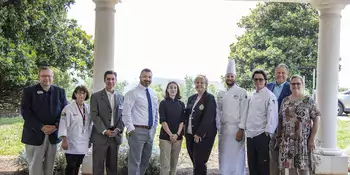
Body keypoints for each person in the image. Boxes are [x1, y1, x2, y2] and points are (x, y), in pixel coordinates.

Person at [20, 66, 68, 175]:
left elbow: (65, 112)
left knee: (49, 167)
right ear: (39, 77)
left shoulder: (60, 92)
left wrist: (55, 126)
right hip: (34, 134)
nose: (46, 78)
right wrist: (41, 126)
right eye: (43, 76)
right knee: (35, 166)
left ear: (53, 77)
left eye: (49, 76)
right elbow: (25, 112)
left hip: (53, 135)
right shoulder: (29, 91)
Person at [277, 75, 321, 175]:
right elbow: (280, 119)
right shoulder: (285, 101)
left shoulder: (308, 100)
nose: (295, 85)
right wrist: (279, 137)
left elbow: (317, 118)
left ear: (302, 85)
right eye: (293, 83)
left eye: (298, 83)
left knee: (304, 168)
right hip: (287, 140)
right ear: (290, 86)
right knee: (290, 167)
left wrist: (312, 139)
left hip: (303, 141)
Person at [122, 68, 159, 175]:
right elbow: (126, 113)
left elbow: (155, 113)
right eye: (145, 76)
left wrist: (154, 128)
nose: (147, 79)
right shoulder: (132, 93)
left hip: (150, 132)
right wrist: (131, 129)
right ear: (140, 77)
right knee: (135, 162)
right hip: (137, 131)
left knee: (145, 161)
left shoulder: (153, 94)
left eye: (149, 77)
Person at [216, 59, 248, 175]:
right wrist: (218, 127)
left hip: (236, 130)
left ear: (235, 77)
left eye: (231, 76)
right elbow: (218, 111)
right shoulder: (220, 93)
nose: (229, 78)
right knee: (224, 157)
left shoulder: (242, 92)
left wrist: (241, 129)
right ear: (225, 77)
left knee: (237, 159)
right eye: (228, 76)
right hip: (224, 130)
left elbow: (245, 111)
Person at [90, 70, 124, 175]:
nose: (110, 81)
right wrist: (104, 131)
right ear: (105, 80)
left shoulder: (121, 97)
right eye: (108, 79)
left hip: (115, 136)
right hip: (100, 136)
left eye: (113, 79)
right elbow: (94, 116)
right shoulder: (95, 96)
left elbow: (124, 116)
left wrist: (118, 129)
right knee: (98, 167)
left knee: (113, 168)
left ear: (116, 81)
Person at [246, 69, 278, 175]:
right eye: (256, 79)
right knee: (252, 165)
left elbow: (272, 117)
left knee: (263, 166)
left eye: (261, 79)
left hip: (262, 135)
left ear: (265, 81)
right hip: (250, 135)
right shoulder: (252, 95)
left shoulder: (270, 96)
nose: (258, 82)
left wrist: (267, 135)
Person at [184, 75, 217, 175]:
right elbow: (186, 115)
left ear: (206, 85)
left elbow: (209, 117)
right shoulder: (191, 98)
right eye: (197, 82)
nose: (199, 84)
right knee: (195, 162)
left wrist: (199, 133)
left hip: (202, 136)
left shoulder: (209, 98)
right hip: (189, 135)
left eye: (202, 82)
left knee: (199, 163)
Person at [58, 85, 92, 175]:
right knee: (71, 165)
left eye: (83, 93)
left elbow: (91, 125)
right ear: (75, 94)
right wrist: (64, 140)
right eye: (79, 93)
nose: (81, 95)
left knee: (78, 165)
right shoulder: (68, 108)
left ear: (86, 95)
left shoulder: (88, 108)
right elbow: (63, 124)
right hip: (71, 142)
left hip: (83, 142)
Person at [266, 63, 292, 175]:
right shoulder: (268, 86)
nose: (280, 75)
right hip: (270, 125)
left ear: (287, 75)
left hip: (285, 125)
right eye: (278, 72)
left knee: (286, 156)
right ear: (274, 74)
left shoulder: (291, 87)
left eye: (283, 73)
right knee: (272, 155)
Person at [158, 81, 185, 175]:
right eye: (171, 87)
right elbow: (163, 121)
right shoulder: (163, 103)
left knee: (174, 165)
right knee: (165, 165)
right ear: (167, 90)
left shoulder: (181, 104)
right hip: (165, 138)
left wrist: (177, 134)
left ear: (177, 90)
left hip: (178, 138)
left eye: (175, 87)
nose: (173, 89)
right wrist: (171, 135)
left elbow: (182, 121)